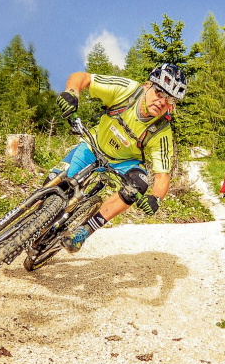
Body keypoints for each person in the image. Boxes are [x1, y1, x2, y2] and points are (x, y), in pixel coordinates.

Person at [50, 64, 187, 253]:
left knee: (139, 185)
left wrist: (155, 199)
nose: (162, 101)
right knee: (51, 188)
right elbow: (82, 77)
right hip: (94, 145)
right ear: (148, 85)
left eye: (170, 99)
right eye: (159, 92)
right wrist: (72, 93)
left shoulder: (162, 131)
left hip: (124, 162)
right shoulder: (127, 90)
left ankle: (84, 231)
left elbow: (163, 176)